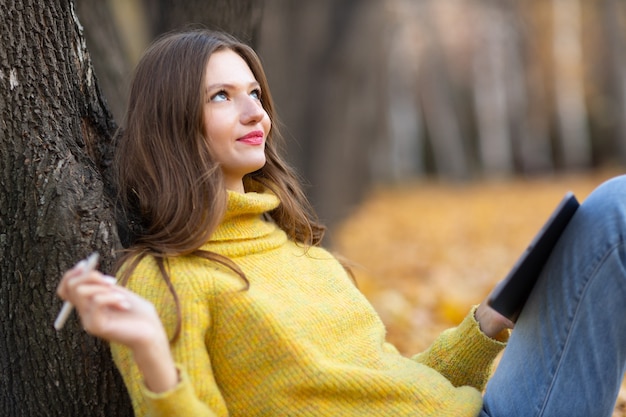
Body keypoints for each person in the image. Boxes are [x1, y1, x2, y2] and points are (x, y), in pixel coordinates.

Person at [56, 28, 626, 417]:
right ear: (173, 120)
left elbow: (385, 385)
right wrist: (154, 354)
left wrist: (486, 323)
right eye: (222, 96)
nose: (256, 111)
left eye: (254, 92)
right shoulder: (168, 280)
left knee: (612, 207)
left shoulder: (297, 249)